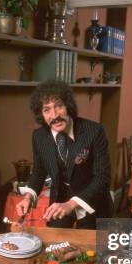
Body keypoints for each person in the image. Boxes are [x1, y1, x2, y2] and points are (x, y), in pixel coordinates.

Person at [15, 79, 113, 229]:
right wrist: (28, 197)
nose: (54, 115)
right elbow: (38, 174)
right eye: (46, 110)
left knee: (90, 251)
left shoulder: (94, 131)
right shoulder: (39, 136)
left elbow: (102, 178)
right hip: (59, 201)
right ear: (41, 114)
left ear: (68, 105)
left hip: (92, 202)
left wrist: (71, 204)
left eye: (58, 106)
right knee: (56, 248)